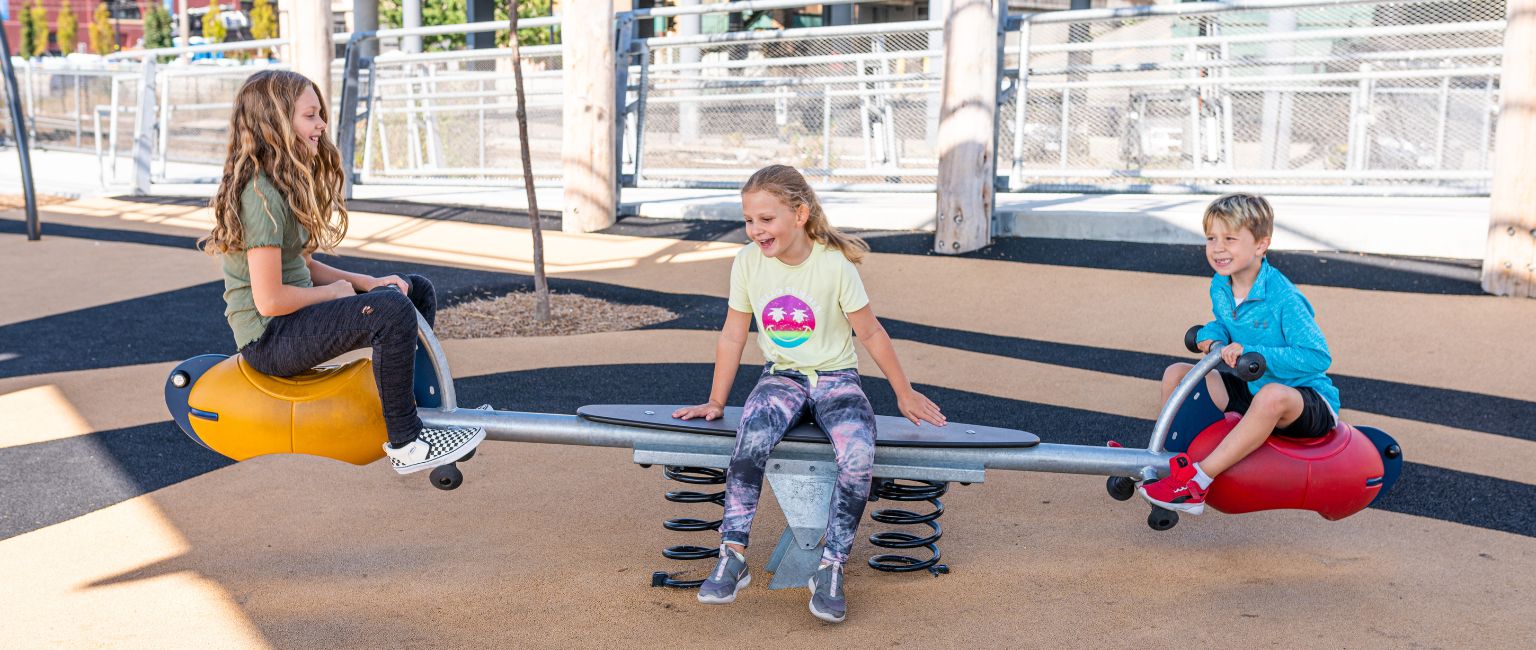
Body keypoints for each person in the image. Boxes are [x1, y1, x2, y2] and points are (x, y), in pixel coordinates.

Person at [673, 164, 946, 623]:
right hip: (782, 376)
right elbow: (732, 336)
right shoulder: (746, 262)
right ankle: (733, 554)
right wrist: (716, 401)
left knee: (859, 453)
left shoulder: (833, 265)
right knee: (751, 437)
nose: (756, 230)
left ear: (799, 214)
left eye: (766, 219)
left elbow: (872, 333)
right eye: (749, 220)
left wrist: (904, 392)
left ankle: (831, 566)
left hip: (837, 380)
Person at [199, 70, 483, 475]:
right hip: (269, 338)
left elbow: (303, 264)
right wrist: (334, 294)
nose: (321, 125)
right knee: (389, 314)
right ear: (276, 123)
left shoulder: (281, 183)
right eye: (310, 116)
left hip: (293, 321)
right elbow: (270, 300)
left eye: (320, 115)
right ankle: (405, 440)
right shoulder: (259, 195)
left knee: (412, 292)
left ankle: (421, 411)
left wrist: (365, 283)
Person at [1140, 193, 1340, 514]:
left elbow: (1317, 356)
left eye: (1230, 239)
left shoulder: (1284, 298)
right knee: (1178, 373)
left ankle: (1198, 482)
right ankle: (1170, 464)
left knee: (1272, 394)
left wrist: (1253, 351)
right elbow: (1223, 325)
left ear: (1260, 245)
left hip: (1304, 400)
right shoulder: (1221, 285)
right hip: (1253, 390)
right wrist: (1212, 336)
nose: (1218, 248)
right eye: (1211, 238)